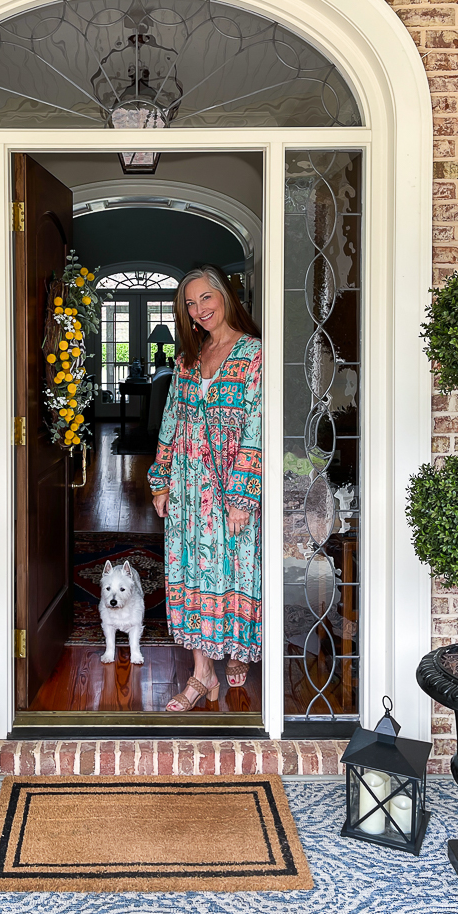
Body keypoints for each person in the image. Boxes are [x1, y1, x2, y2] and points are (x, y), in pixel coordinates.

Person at [147, 265, 262, 712]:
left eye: (205, 299)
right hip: (188, 489)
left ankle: (236, 652)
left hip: (230, 485)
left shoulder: (254, 354)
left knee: (233, 571)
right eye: (191, 305)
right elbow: (171, 423)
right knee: (189, 571)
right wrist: (160, 482)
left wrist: (242, 495)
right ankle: (201, 673)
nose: (199, 311)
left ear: (225, 296)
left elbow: (256, 427)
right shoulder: (188, 360)